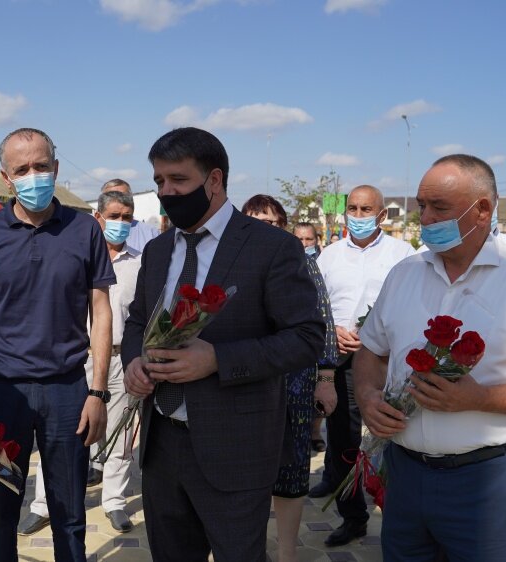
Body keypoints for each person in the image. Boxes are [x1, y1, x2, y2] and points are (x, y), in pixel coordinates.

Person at [355, 154, 506, 561]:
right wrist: (367, 397)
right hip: (406, 473)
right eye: (422, 205)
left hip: (489, 480)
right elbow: (371, 352)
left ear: (482, 210)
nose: (425, 218)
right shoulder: (404, 274)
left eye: (439, 207)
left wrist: (480, 399)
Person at [123, 127, 325, 562]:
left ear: (214, 180)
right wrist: (133, 362)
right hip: (161, 446)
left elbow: (306, 338)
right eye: (159, 181)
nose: (165, 192)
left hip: (236, 446)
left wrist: (218, 359)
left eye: (177, 180)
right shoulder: (157, 252)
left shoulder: (272, 247)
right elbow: (138, 320)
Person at [0, 127, 115, 562]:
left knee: (70, 513)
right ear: (6, 178)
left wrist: (98, 392)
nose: (33, 175)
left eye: (41, 166)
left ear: (56, 169)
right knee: (1, 512)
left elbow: (101, 310)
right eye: (21, 169)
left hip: (68, 393)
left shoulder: (85, 230)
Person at [22, 189, 143, 535]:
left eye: (128, 216)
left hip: (122, 359)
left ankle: (114, 502)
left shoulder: (139, 262)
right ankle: (45, 504)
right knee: (58, 434)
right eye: (115, 216)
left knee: (119, 437)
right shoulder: (77, 253)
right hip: (78, 359)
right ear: (99, 217)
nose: (122, 223)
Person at [310, 184, 415, 546]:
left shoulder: (404, 254)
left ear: (382, 214)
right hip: (339, 362)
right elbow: (315, 305)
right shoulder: (329, 256)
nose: (357, 216)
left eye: (365, 209)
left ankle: (398, 514)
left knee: (394, 437)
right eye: (352, 209)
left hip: (387, 360)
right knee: (343, 440)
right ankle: (352, 515)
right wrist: (332, 331)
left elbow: (413, 305)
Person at [241, 195, 338, 562]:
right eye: (256, 221)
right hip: (243, 380)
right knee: (242, 470)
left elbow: (323, 319)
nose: (265, 230)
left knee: (292, 468)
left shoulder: (301, 263)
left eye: (272, 223)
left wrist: (325, 376)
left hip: (294, 384)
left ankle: (286, 553)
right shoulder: (230, 263)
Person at [293, 221, 332, 452]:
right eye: (299, 239)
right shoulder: (289, 262)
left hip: (322, 335)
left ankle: (315, 431)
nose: (304, 244)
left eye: (309, 239)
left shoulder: (323, 262)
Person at [100, 178, 160, 250]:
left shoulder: (150, 233)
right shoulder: (89, 232)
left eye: (123, 196)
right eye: (111, 196)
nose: (118, 200)